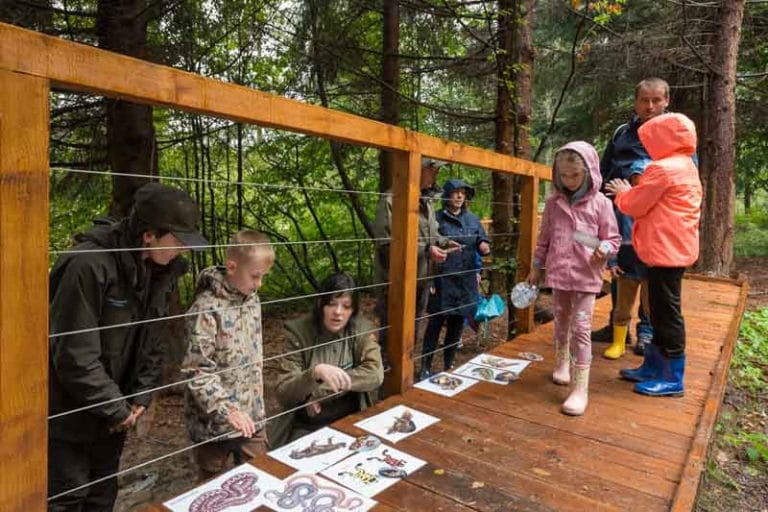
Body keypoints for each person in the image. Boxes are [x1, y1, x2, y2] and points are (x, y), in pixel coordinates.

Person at [48, 182, 207, 511]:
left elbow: (154, 339)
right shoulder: (87, 265)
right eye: (178, 241)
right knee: (67, 498)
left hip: (116, 412)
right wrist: (117, 408)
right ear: (148, 234)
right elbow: (74, 355)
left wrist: (140, 397)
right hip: (69, 411)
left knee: (103, 494)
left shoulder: (162, 270)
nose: (184, 250)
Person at [605, 112, 701, 397]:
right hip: (672, 249)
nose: (648, 146)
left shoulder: (663, 169)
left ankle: (672, 378)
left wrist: (623, 191)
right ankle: (652, 367)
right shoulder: (685, 165)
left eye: (651, 140)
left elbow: (636, 205)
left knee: (667, 314)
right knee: (658, 311)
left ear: (663, 139)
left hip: (664, 251)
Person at [526, 142, 620, 416]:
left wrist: (605, 248)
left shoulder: (601, 204)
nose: (568, 182)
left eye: (574, 176)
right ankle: (561, 363)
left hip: (586, 276)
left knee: (581, 327)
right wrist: (536, 266)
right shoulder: (554, 204)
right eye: (563, 176)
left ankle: (581, 389)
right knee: (561, 322)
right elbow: (544, 239)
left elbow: (613, 238)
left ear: (589, 172)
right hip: (558, 275)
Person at [182, 230, 274, 480]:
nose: (259, 284)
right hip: (213, 426)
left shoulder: (252, 301)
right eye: (255, 276)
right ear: (232, 267)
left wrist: (251, 409)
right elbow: (196, 371)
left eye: (263, 277)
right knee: (214, 487)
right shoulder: (205, 309)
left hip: (252, 418)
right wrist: (227, 410)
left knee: (261, 477)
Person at [592, 78, 671, 353]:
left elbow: (685, 171)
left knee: (650, 273)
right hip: (619, 211)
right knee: (621, 268)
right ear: (636, 101)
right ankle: (618, 328)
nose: (649, 106)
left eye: (656, 100)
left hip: (654, 215)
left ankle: (647, 331)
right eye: (644, 100)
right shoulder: (622, 133)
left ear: (666, 101)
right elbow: (604, 171)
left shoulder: (675, 133)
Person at [273, 273, 384, 445]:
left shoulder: (361, 328)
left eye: (346, 306)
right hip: (307, 424)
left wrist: (321, 390)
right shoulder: (298, 332)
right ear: (320, 304)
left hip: (352, 418)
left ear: (353, 310)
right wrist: (315, 373)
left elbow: (375, 374)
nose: (338, 312)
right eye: (331, 304)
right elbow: (283, 391)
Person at [373, 158, 456, 366]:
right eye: (432, 169)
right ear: (417, 170)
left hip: (422, 279)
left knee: (413, 332)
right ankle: (385, 383)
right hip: (395, 283)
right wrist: (427, 250)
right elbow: (386, 245)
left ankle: (405, 376)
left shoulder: (426, 200)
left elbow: (432, 233)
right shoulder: (390, 199)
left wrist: (445, 242)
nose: (436, 174)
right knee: (391, 333)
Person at [419, 179, 490, 380]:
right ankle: (425, 366)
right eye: (455, 192)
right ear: (447, 195)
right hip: (442, 278)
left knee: (457, 323)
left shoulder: (473, 220)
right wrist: (431, 280)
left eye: (463, 193)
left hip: (466, 280)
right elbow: (429, 246)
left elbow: (481, 239)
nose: (459, 196)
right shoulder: (437, 219)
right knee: (435, 322)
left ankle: (449, 364)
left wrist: (484, 246)